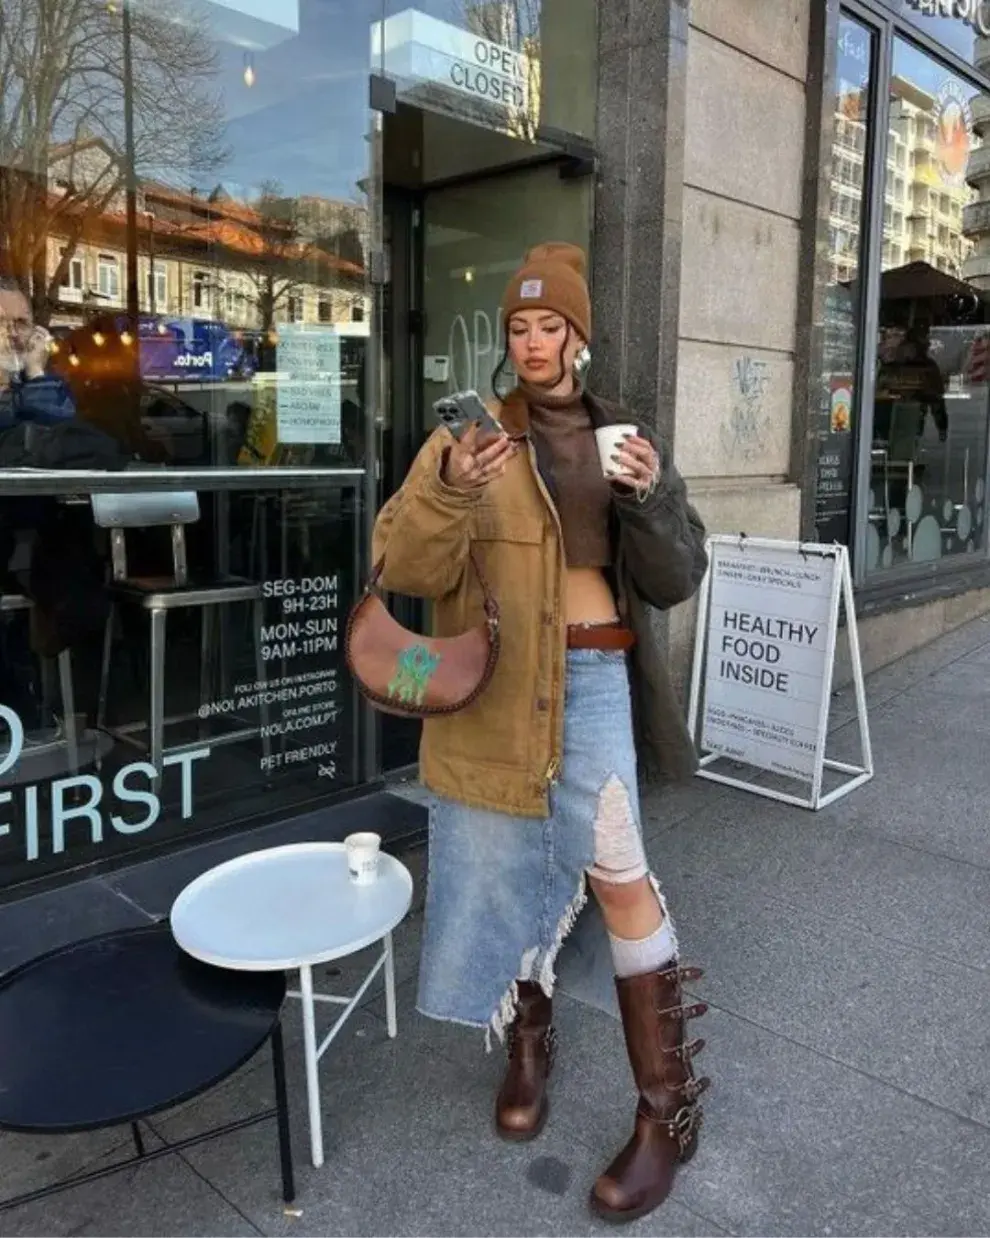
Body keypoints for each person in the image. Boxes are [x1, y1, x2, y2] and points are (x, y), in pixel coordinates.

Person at [372, 243, 710, 1223]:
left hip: (597, 671)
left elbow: (676, 576)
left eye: (548, 325)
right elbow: (403, 559)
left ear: (578, 336)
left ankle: (667, 1111)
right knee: (502, 859)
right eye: (518, 327)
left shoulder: (624, 435)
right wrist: (453, 487)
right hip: (501, 678)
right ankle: (529, 1042)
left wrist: (649, 495)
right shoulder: (471, 440)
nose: (530, 342)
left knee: (619, 872)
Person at [0, 278, 76, 427]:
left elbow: (58, 428)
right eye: (0, 322)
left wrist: (35, 373)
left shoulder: (49, 386)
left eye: (21, 323)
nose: (13, 333)